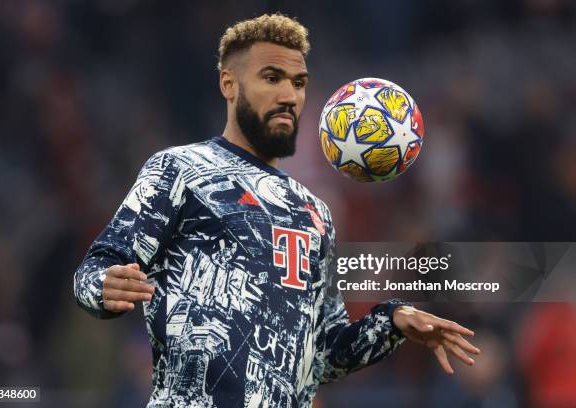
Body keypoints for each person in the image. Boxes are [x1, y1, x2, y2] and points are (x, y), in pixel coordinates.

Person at [74, 13, 479, 408]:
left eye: (298, 83)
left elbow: (324, 356)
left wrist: (391, 322)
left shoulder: (313, 212)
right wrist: (103, 286)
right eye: (272, 78)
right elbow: (95, 268)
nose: (289, 96)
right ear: (228, 84)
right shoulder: (180, 170)